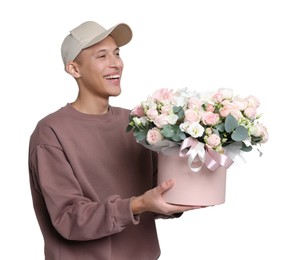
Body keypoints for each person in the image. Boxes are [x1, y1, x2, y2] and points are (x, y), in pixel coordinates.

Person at [28, 20, 202, 260]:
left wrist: (196, 178)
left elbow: (156, 194)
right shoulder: (51, 132)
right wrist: (137, 205)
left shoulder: (136, 123)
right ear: (74, 69)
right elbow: (68, 218)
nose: (116, 63)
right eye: (102, 55)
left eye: (117, 53)